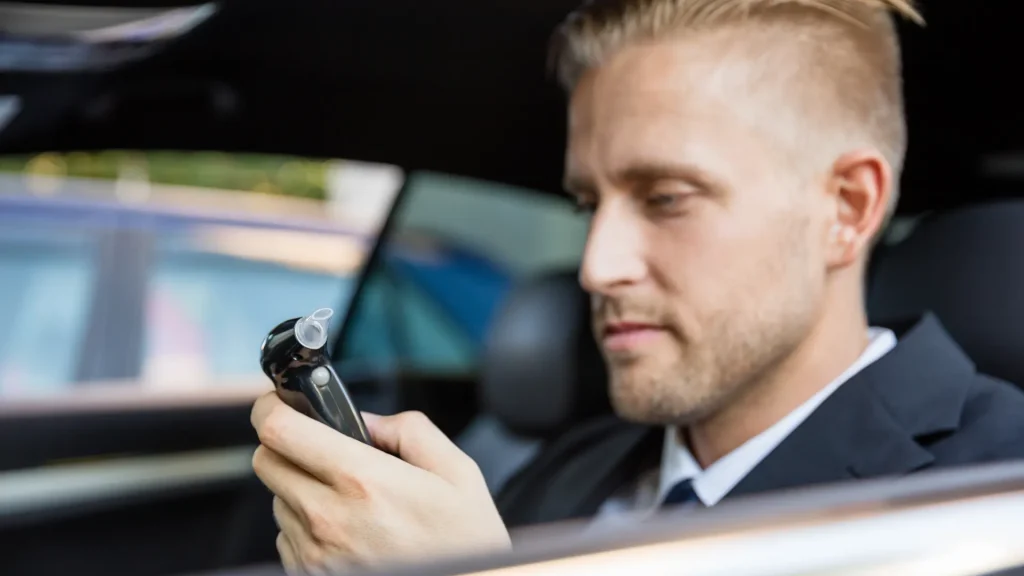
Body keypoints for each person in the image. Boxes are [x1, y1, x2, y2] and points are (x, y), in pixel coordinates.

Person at [250, 0, 1024, 571]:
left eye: (665, 198)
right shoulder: (567, 466)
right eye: (589, 204)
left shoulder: (998, 486)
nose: (595, 266)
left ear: (846, 209)